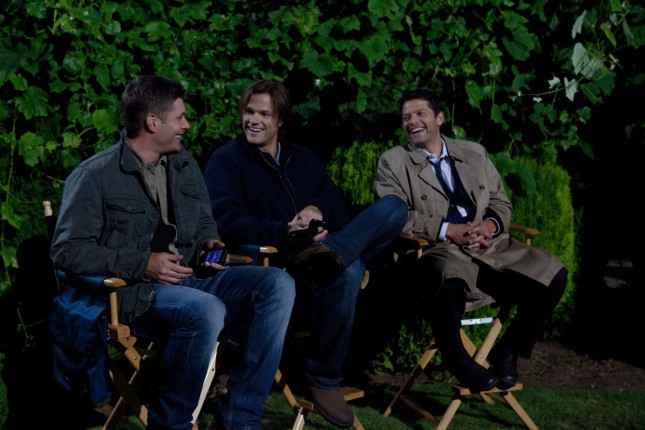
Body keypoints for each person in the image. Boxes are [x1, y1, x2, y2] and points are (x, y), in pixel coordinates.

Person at [50, 75, 296, 430]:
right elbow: (67, 251)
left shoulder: (184, 165)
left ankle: (239, 420)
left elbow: (205, 221)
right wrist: (144, 264)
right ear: (152, 121)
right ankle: (172, 424)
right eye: (180, 117)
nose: (187, 125)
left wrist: (210, 243)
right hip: (134, 294)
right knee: (204, 309)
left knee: (277, 284)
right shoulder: (95, 175)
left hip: (193, 278)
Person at [203, 79, 407, 428]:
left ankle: (331, 254)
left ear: (280, 119)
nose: (254, 120)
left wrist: (317, 212)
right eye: (249, 112)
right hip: (275, 265)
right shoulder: (226, 161)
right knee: (350, 269)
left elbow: (338, 209)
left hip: (316, 256)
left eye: (264, 114)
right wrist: (285, 231)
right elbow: (225, 221)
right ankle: (324, 378)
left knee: (393, 207)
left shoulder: (304, 159)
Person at [374, 88, 568, 392]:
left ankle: (507, 352)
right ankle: (458, 361)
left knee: (553, 275)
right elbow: (393, 215)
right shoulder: (393, 162)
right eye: (406, 117)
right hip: (436, 249)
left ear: (439, 118)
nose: (412, 121)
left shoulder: (474, 152)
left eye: (420, 113)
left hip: (488, 247)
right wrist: (447, 229)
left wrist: (489, 225)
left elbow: (500, 202)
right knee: (448, 275)